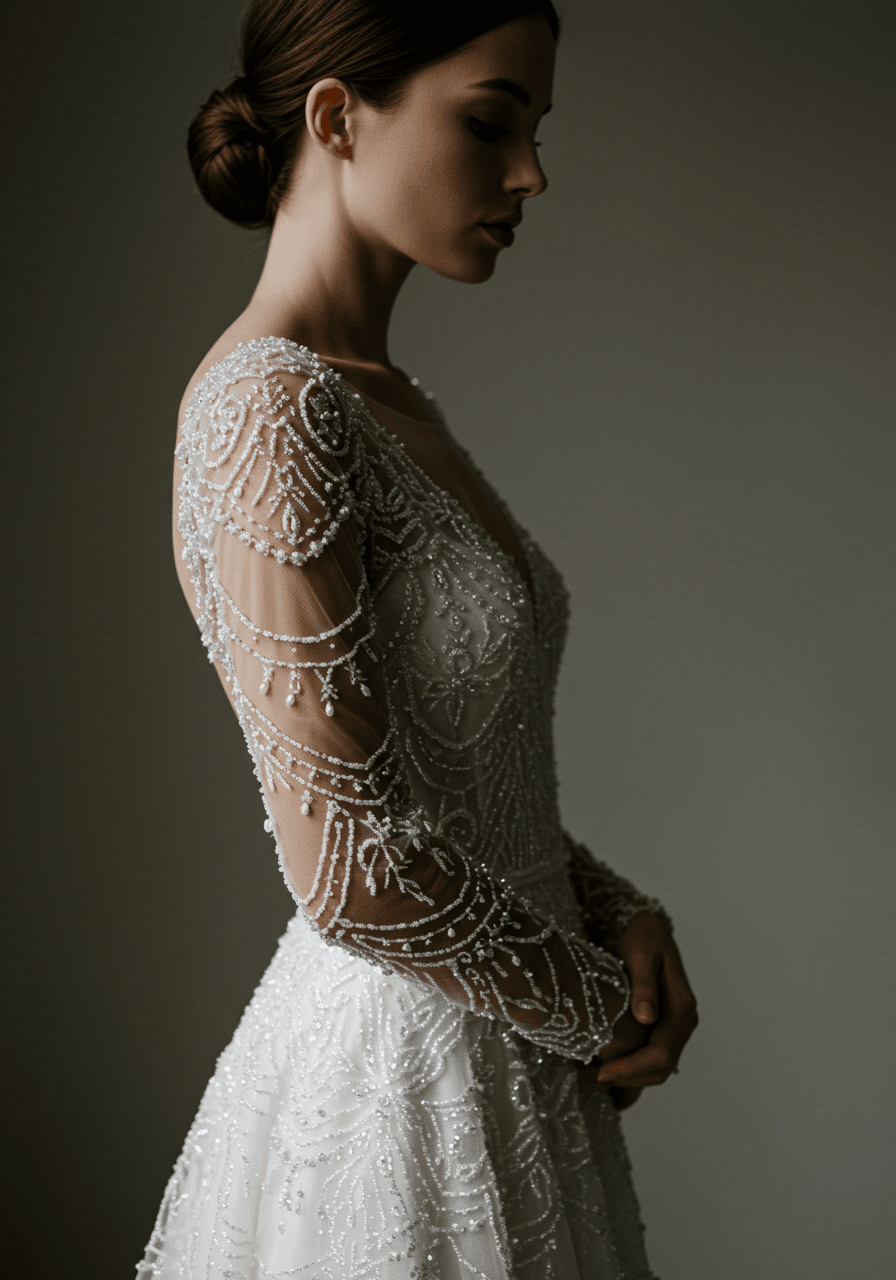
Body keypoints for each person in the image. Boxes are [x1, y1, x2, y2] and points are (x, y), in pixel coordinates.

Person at [138, 2, 698, 1276]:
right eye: (490, 121)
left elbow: (438, 772)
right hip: (407, 1079)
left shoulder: (380, 399)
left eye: (535, 129)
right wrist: (594, 1005)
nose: (530, 173)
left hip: (506, 1059)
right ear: (337, 118)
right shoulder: (268, 405)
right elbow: (343, 858)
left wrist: (617, 911)